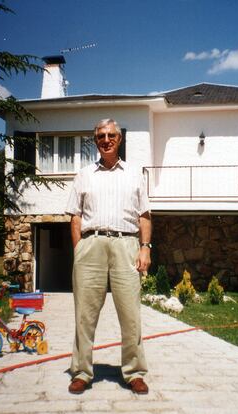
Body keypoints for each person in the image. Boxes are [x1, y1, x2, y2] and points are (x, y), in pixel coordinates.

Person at [65, 118, 152, 394]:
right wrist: (79, 249)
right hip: (91, 246)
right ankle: (81, 371)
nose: (106, 140)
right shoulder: (83, 175)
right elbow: (75, 217)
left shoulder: (135, 174)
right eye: (101, 136)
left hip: (126, 244)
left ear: (119, 138)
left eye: (111, 135)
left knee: (131, 315)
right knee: (84, 316)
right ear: (95, 140)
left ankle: (134, 372)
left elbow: (145, 216)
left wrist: (145, 248)